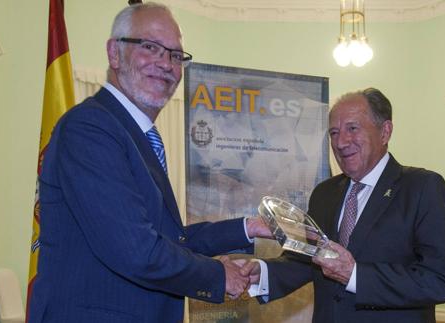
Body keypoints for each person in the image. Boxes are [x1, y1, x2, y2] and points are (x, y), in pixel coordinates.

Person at [28, 3, 270, 323]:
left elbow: (168, 240)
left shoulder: (135, 134)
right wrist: (218, 275)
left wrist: (248, 227)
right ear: (115, 53)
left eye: (175, 55)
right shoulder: (91, 128)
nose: (165, 63)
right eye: (150, 47)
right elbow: (136, 250)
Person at [241, 88, 445, 323]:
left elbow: (440, 281)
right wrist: (261, 274)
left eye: (352, 129)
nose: (341, 142)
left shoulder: (422, 187)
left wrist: (356, 276)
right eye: (334, 132)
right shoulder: (324, 193)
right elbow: (306, 260)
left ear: (385, 132)